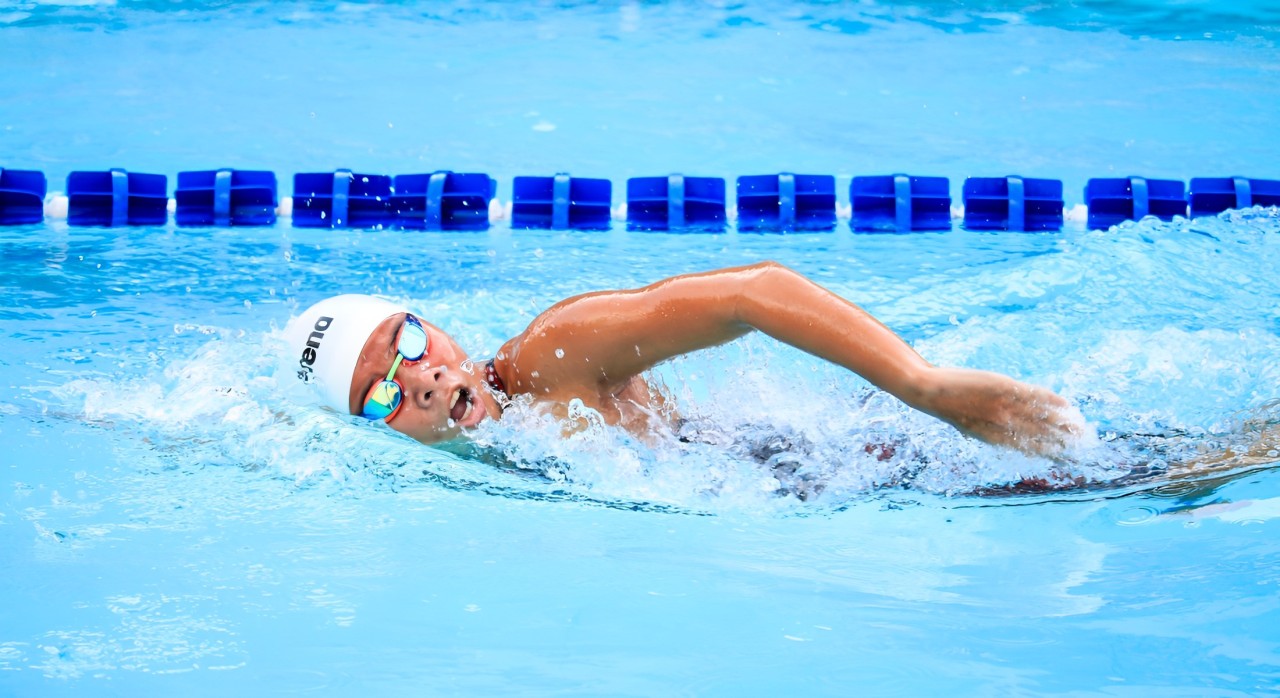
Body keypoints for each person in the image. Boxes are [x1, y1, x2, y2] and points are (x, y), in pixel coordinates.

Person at [285, 261, 1086, 458]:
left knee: (1119, 470)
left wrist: (927, 388)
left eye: (412, 345)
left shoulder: (551, 355)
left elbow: (755, 292)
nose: (419, 379)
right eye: (380, 394)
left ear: (444, 336)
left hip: (826, 467)